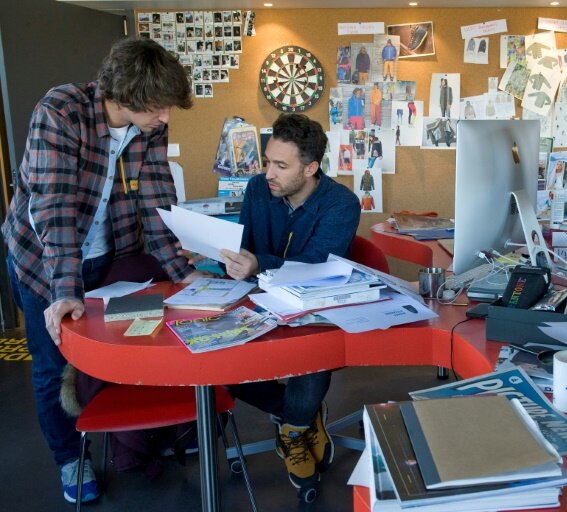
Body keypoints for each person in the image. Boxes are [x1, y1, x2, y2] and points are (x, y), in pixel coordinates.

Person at [2, 37, 207, 505]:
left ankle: (135, 441)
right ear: (128, 95)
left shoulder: (150, 128)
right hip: (42, 263)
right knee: (53, 366)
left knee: (127, 347)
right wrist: (66, 290)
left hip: (107, 258)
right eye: (159, 106)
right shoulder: (61, 111)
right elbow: (53, 209)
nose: (167, 118)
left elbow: (157, 204)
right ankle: (69, 458)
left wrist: (183, 272)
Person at [218, 113, 361, 496]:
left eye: (281, 165)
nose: (269, 173)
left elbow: (317, 264)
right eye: (268, 161)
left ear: (311, 168)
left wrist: (259, 263)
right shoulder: (257, 188)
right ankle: (298, 416)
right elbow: (244, 244)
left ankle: (294, 432)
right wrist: (224, 257)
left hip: (312, 302)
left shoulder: (342, 203)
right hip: (255, 298)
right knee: (217, 361)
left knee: (310, 354)